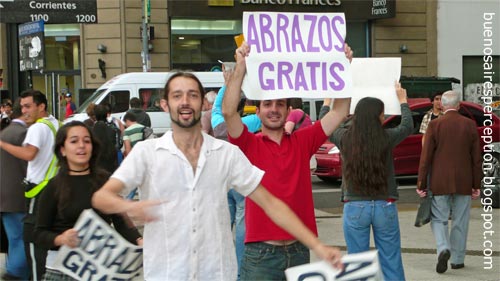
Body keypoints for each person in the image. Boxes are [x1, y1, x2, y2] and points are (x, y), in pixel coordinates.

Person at [91, 72, 343, 281]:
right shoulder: (146, 153)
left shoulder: (226, 153)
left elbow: (271, 203)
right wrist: (130, 206)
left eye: (192, 95)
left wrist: (317, 245)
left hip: (217, 272)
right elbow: (102, 197)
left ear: (203, 104)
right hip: (166, 273)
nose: (185, 102)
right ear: (165, 104)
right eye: (177, 96)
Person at [222, 42, 352, 280]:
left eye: (279, 104)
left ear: (288, 109)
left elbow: (340, 111)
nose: (274, 109)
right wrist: (240, 67)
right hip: (260, 253)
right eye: (267, 104)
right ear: (257, 111)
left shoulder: (303, 141)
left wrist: (343, 67)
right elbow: (229, 112)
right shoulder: (248, 144)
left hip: (299, 250)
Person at [323, 84, 412, 281]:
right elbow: (407, 126)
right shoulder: (387, 137)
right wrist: (403, 101)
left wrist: (327, 102)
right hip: (385, 204)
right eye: (382, 114)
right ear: (377, 117)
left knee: (357, 264)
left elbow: (326, 125)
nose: (383, 118)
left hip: (355, 206)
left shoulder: (345, 138)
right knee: (391, 259)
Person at [34, 121, 142, 279]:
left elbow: (120, 221)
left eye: (86, 141)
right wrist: (61, 239)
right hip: (61, 271)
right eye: (74, 141)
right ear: (62, 150)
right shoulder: (54, 186)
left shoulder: (104, 181)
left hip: (99, 270)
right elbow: (38, 233)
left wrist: (139, 240)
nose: (81, 146)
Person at [417, 90, 482, 274]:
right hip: (464, 181)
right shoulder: (470, 125)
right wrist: (477, 185)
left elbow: (425, 157)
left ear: (443, 106)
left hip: (439, 181)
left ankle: (443, 247)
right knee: (461, 220)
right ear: (459, 105)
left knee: (439, 218)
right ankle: (458, 259)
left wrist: (421, 183)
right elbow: (476, 159)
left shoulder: (434, 125)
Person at [0, 90, 61, 280]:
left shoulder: (36, 128)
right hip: (55, 188)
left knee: (28, 241)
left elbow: (29, 154)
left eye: (28, 106)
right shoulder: (57, 124)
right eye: (22, 107)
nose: (23, 110)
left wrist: (2, 144)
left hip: (36, 191)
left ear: (41, 106)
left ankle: (23, 276)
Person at [0, 101, 30, 280]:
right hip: (18, 195)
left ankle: (15, 271)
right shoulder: (23, 133)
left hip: (4, 195)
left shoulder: (4, 133)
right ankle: (14, 274)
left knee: (13, 239)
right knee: (21, 239)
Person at [92, 104, 118, 174]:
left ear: (95, 116)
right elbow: (118, 145)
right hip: (111, 167)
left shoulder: (91, 131)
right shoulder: (113, 129)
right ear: (107, 115)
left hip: (96, 167)